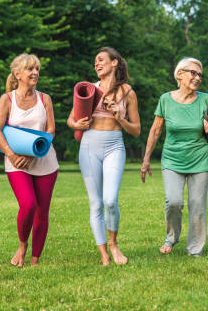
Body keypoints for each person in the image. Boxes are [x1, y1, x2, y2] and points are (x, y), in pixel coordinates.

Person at [140, 57, 208, 257]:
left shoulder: (205, 99)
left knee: (197, 205)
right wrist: (146, 160)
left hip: (199, 159)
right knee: (174, 201)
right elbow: (155, 131)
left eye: (199, 75)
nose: (197, 78)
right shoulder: (165, 100)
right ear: (179, 74)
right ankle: (172, 236)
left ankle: (195, 249)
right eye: (193, 73)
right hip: (172, 159)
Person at [67, 47, 140, 265]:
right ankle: (104, 254)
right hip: (89, 145)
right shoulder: (89, 89)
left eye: (101, 60)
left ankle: (114, 244)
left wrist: (119, 116)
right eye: (95, 62)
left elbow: (136, 130)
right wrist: (76, 124)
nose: (96, 64)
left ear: (115, 62)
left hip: (114, 146)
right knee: (96, 203)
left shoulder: (127, 93)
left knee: (110, 200)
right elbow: (70, 120)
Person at [0, 54, 59, 267]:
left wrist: (32, 155)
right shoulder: (7, 99)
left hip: (45, 161)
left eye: (37, 69)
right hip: (16, 162)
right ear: (17, 74)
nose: (35, 73)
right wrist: (11, 155)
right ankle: (22, 246)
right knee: (28, 205)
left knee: (42, 212)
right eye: (30, 69)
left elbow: (50, 130)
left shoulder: (44, 98)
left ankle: (35, 259)